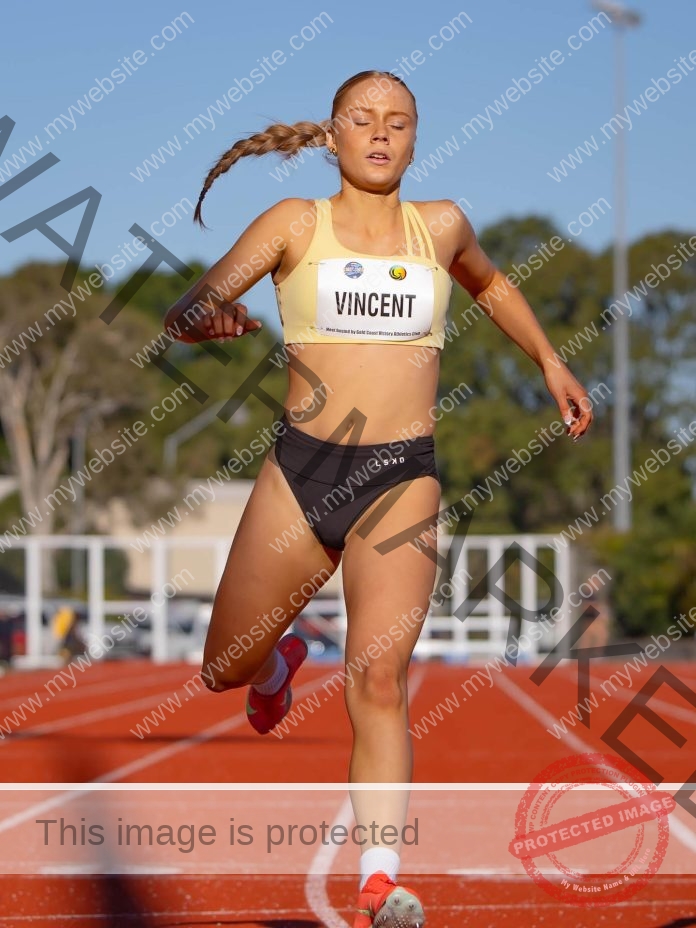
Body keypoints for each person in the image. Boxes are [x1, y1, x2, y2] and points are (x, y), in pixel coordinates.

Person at [164, 69, 592, 928]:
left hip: (403, 476)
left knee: (379, 677)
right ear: (333, 133)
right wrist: (206, 317)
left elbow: (491, 284)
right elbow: (191, 302)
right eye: (364, 119)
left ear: (416, 136)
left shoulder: (440, 226)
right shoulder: (295, 223)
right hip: (301, 471)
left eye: (400, 121)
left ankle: (379, 876)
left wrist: (549, 359)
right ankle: (279, 659)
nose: (382, 132)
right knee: (223, 671)